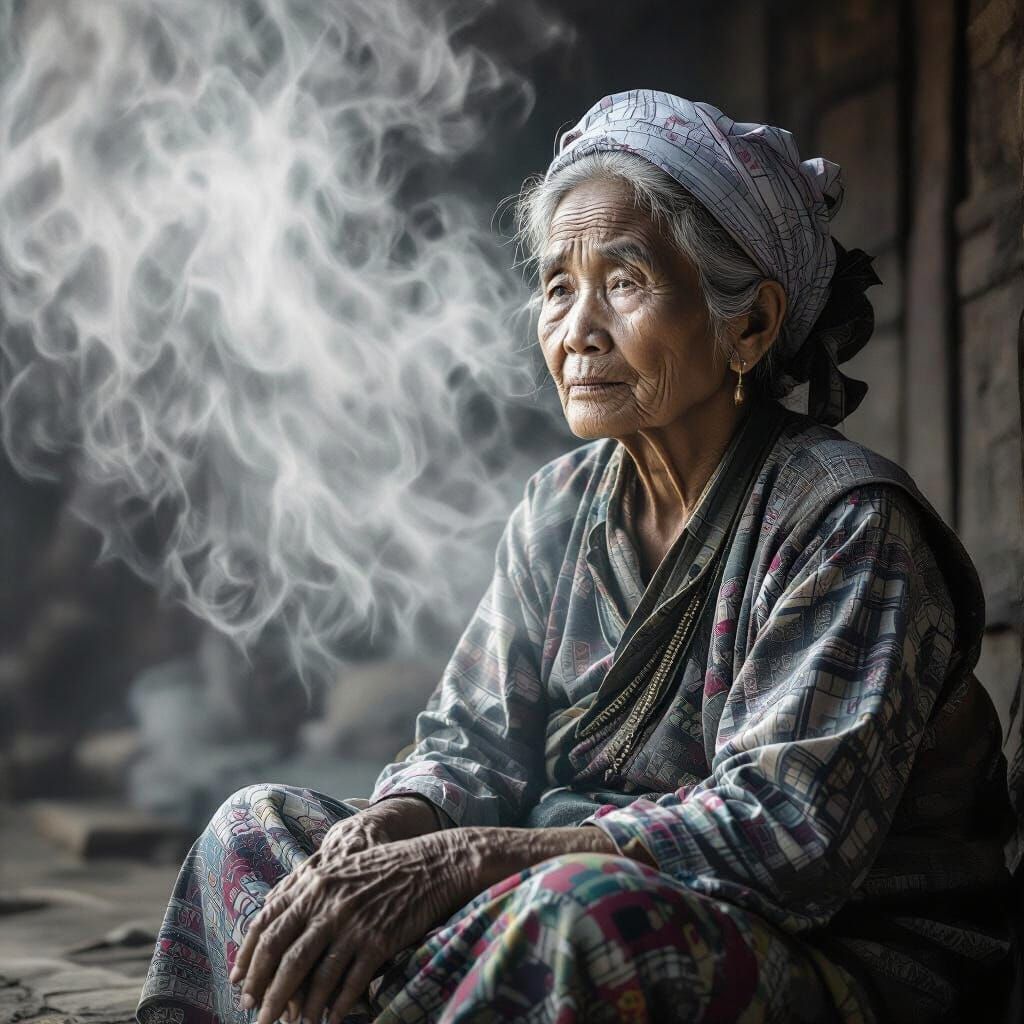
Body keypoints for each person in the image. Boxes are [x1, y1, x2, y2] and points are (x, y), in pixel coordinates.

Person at [137, 90, 1016, 1024]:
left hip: (829, 956)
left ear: (749, 326)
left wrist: (475, 859)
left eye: (625, 282)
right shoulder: (558, 505)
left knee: (576, 923)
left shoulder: (845, 523)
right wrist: (390, 837)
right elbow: (468, 744)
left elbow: (784, 834)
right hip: (547, 889)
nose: (577, 330)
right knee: (256, 832)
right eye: (558, 285)